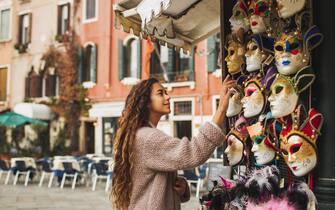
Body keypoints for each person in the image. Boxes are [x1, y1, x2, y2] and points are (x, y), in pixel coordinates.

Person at [111, 75, 236, 210]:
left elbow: (150, 185)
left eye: (166, 92)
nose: (168, 97)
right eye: (160, 93)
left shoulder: (142, 134)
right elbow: (194, 152)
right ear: (146, 102)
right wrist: (222, 107)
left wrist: (178, 186)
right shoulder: (148, 138)